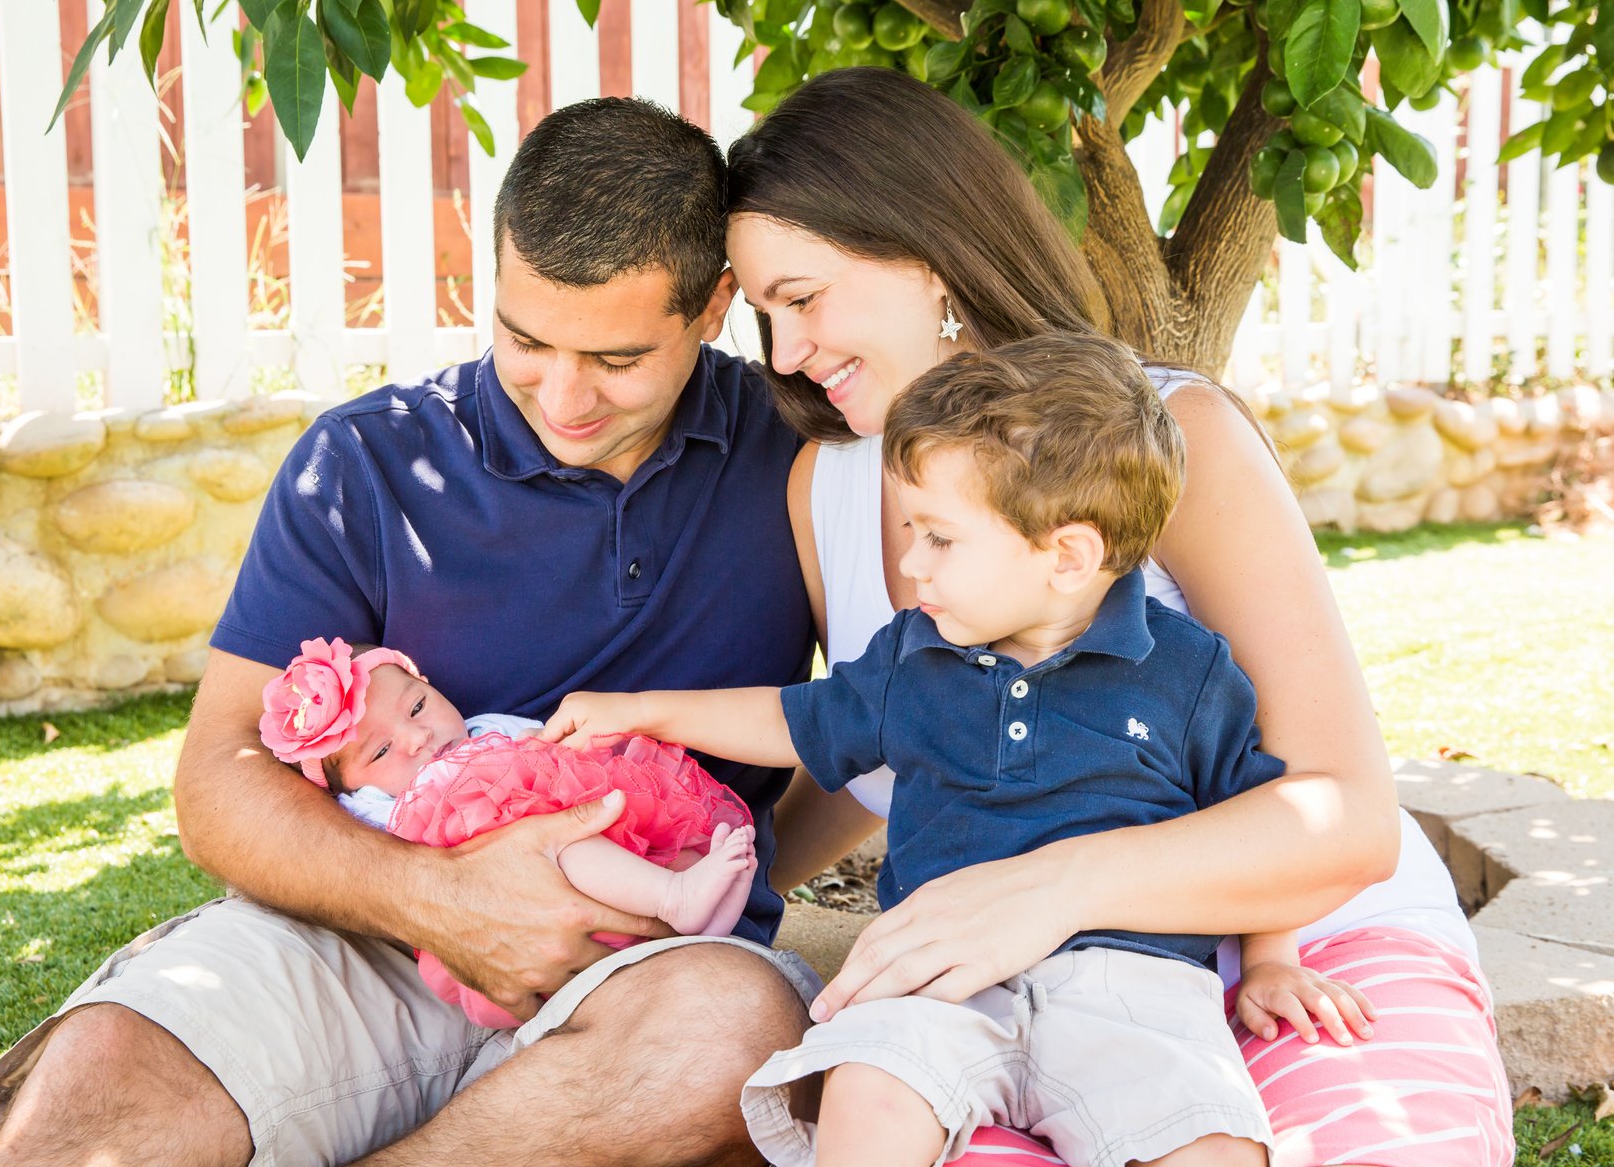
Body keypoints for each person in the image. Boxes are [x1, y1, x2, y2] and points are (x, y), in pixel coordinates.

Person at [0, 97, 823, 1167]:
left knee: (733, 1037)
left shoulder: (798, 453)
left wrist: (735, 854)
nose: (564, 396)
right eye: (525, 339)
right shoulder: (365, 464)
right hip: (373, 937)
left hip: (652, 956)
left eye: (615, 358)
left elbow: (892, 713)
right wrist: (447, 901)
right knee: (108, 1067)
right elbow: (219, 779)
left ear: (714, 305)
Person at [723, 67, 1513, 1167]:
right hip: (1012, 1000)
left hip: (1300, 955)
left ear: (930, 256)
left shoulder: (1175, 433)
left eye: (802, 298)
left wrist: (1049, 889)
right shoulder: (830, 484)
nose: (783, 354)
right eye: (763, 314)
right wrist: (717, 886)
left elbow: (1347, 817)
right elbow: (875, 740)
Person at [544, 335, 1376, 1167]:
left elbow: (1251, 818)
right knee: (866, 1088)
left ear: (1068, 556)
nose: (912, 563)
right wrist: (648, 712)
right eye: (912, 532)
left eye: (939, 538)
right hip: (936, 974)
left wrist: (1271, 961)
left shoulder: (1188, 671)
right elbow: (796, 718)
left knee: (1208, 1139)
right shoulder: (914, 654)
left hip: (1130, 986)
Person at [258, 635, 758, 1028]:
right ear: (352, 792)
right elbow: (379, 858)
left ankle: (701, 918)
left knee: (633, 828)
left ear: (429, 685)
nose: (417, 737)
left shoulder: (484, 730)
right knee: (562, 843)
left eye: (417, 707)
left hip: (602, 874)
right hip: (513, 910)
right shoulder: (377, 807)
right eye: (381, 751)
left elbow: (544, 744)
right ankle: (674, 898)